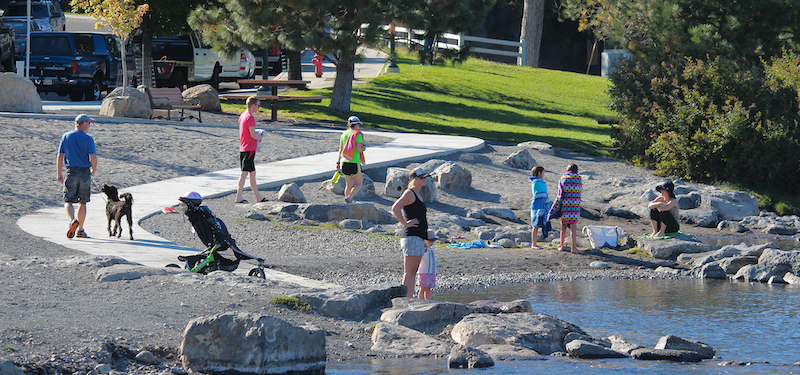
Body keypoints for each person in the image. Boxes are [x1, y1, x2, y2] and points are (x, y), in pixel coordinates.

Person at [391, 167, 432, 298]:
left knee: (413, 272)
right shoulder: (409, 193)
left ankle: (408, 298)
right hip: (411, 236)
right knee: (409, 272)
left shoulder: (419, 195)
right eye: (421, 177)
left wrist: (425, 239)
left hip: (418, 237)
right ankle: (406, 300)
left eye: (425, 177)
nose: (424, 179)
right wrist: (405, 223)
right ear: (414, 179)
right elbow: (395, 207)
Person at [57, 114, 97, 239]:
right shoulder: (88, 139)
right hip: (84, 172)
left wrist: (59, 173)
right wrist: (93, 170)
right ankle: (80, 230)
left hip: (71, 171)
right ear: (83, 123)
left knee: (68, 200)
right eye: (89, 123)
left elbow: (60, 155)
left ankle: (72, 220)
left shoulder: (66, 136)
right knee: (83, 202)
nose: (90, 125)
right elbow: (93, 157)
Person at [234, 96, 266, 204]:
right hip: (249, 148)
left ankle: (258, 197)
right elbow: (253, 134)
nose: (258, 107)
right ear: (253, 105)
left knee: (252, 172)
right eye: (257, 105)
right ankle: (238, 197)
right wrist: (260, 136)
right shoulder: (250, 117)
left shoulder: (243, 115)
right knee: (244, 172)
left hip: (244, 147)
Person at [550, 163, 582, 253]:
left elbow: (560, 193)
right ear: (577, 171)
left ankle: (561, 246)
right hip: (575, 205)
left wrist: (556, 206)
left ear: (566, 170)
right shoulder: (579, 178)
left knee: (563, 226)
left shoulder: (563, 178)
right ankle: (574, 248)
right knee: (573, 227)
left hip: (565, 204)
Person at [336, 116, 366, 203]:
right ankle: (350, 198)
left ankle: (346, 198)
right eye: (358, 125)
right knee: (359, 184)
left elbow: (341, 150)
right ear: (356, 125)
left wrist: (338, 162)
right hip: (354, 162)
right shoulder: (358, 134)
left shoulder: (344, 134)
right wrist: (364, 148)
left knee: (348, 185)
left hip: (344, 162)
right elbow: (358, 149)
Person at [529, 165, 549, 249]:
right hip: (537, 204)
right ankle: (533, 244)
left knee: (538, 224)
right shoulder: (536, 182)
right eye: (543, 172)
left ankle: (535, 243)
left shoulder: (541, 182)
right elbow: (538, 193)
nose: (544, 174)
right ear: (539, 173)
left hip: (542, 204)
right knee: (535, 225)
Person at [417, 230, 438, 300]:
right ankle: (420, 301)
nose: (432, 242)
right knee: (423, 287)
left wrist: (435, 270)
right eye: (430, 241)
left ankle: (428, 301)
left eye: (433, 241)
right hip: (424, 271)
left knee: (428, 288)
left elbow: (433, 261)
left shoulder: (431, 249)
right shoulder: (423, 249)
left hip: (431, 272)